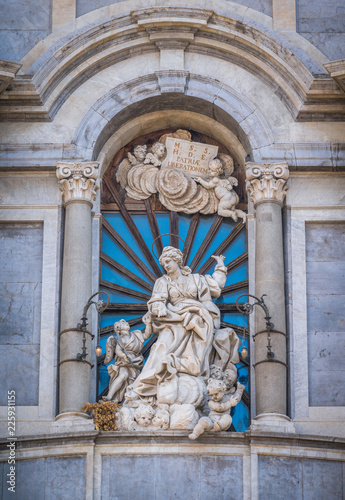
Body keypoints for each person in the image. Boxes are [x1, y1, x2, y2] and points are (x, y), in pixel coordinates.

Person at [130, 246, 228, 401]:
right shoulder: (163, 282)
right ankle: (146, 384)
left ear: (176, 260)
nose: (166, 266)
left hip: (197, 317)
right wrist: (159, 307)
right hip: (172, 319)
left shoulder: (197, 279)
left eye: (168, 261)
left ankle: (189, 369)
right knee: (162, 345)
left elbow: (216, 286)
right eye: (164, 264)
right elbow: (157, 300)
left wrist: (221, 266)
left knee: (196, 325)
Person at [103, 319, 150, 403]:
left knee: (134, 379)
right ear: (120, 328)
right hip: (124, 362)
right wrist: (124, 356)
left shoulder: (136, 335)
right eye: (124, 324)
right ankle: (109, 396)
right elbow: (118, 351)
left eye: (127, 323)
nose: (127, 324)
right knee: (123, 375)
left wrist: (148, 324)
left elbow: (146, 335)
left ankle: (131, 399)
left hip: (135, 361)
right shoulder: (121, 339)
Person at [195, 158, 246, 222]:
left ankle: (232, 214)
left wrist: (200, 180)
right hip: (234, 197)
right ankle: (243, 215)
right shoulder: (223, 179)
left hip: (226, 198)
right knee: (231, 209)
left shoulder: (215, 180)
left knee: (221, 211)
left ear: (218, 172)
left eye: (212, 170)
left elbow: (208, 185)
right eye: (210, 169)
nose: (209, 171)